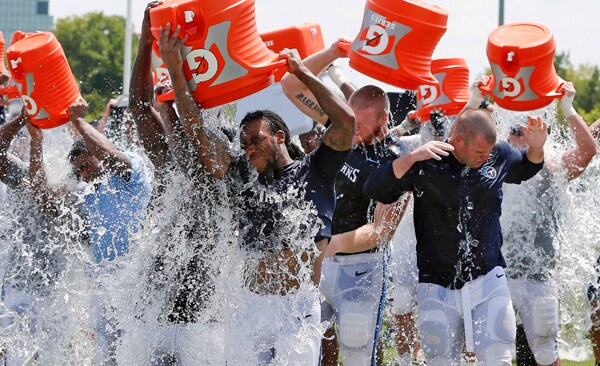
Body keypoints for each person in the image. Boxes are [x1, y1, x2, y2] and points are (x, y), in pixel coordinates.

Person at [158, 22, 354, 364]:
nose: (248, 149)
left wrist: (303, 72)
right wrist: (176, 66)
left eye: (256, 140)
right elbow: (197, 131)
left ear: (279, 137)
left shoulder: (316, 171)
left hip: (297, 307)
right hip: (251, 307)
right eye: (244, 143)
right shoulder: (242, 177)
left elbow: (346, 122)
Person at [363, 77, 549, 364]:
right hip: (436, 284)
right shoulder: (427, 160)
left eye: (488, 152)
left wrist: (536, 148)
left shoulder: (496, 155)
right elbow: (374, 189)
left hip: (489, 278)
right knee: (440, 360)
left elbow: (525, 169)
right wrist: (410, 159)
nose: (484, 158)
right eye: (478, 153)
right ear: (458, 140)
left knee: (498, 357)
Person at [281, 41, 413, 366]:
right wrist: (332, 53)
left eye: (362, 127)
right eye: (351, 125)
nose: (352, 134)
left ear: (384, 119)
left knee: (358, 349)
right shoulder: (343, 124)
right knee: (307, 345)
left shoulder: (395, 159)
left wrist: (331, 244)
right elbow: (290, 84)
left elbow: (381, 231)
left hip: (363, 267)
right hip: (324, 261)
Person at [123, 2, 228, 363]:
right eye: (164, 106)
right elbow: (138, 106)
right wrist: (144, 43)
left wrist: (174, 67)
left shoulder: (217, 152)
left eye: (171, 106)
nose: (164, 112)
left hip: (202, 317)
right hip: (155, 309)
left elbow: (195, 128)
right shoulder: (166, 159)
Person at [30, 98, 152, 365]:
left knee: (136, 350)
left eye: (89, 164)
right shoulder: (87, 193)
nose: (85, 173)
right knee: (106, 356)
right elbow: (43, 198)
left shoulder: (130, 172)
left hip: (137, 274)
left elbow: (110, 155)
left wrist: (79, 121)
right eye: (80, 170)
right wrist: (35, 143)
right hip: (102, 280)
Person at [501, 82, 597, 366]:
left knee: (544, 353)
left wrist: (567, 107)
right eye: (515, 130)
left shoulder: (552, 168)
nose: (519, 136)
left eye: (526, 131)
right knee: (496, 353)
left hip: (538, 281)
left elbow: (588, 150)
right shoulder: (494, 165)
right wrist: (476, 99)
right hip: (499, 279)